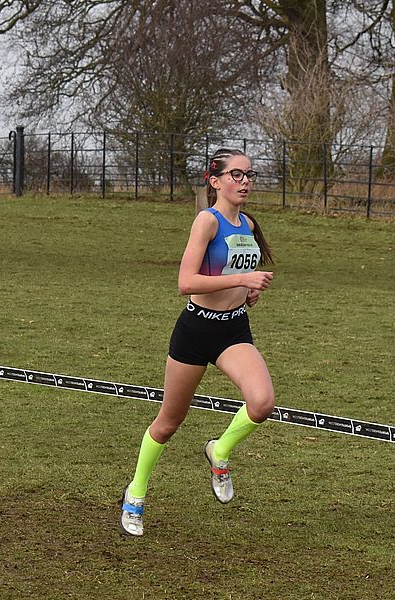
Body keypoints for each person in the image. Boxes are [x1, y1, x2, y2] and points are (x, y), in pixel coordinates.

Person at [119, 148, 275, 536]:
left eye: (249, 175)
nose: (244, 181)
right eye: (236, 174)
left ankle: (219, 452)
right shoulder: (207, 221)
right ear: (215, 180)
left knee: (262, 402)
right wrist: (242, 280)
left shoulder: (249, 225)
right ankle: (135, 494)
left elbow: (236, 271)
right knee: (169, 423)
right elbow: (186, 282)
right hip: (196, 330)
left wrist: (249, 291)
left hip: (234, 330)